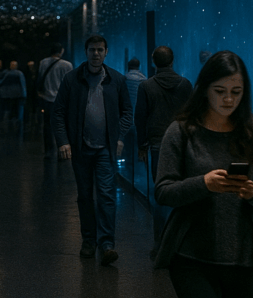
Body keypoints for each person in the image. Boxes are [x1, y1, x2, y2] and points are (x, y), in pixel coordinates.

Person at [155, 50, 253, 298]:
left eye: (236, 92)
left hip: (242, 257)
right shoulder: (182, 131)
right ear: (204, 89)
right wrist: (203, 183)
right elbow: (163, 190)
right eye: (220, 91)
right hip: (193, 256)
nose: (228, 99)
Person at [53, 35, 133, 265]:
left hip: (105, 149)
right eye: (92, 50)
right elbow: (58, 112)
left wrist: (118, 137)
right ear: (86, 52)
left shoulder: (116, 79)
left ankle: (107, 243)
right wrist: (63, 141)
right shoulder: (72, 79)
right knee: (85, 196)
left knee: (107, 195)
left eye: (100, 50)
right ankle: (89, 240)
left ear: (106, 52)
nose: (96, 54)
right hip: (81, 148)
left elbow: (127, 112)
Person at [135, 45, 193, 241]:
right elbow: (193, 115)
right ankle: (181, 241)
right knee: (183, 192)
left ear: (153, 62)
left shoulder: (146, 86)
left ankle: (160, 242)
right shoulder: (185, 84)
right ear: (172, 60)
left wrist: (141, 145)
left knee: (160, 193)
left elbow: (140, 118)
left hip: (157, 143)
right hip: (183, 144)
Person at [36, 43, 73, 158]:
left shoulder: (43, 62)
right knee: (61, 125)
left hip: (46, 98)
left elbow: (40, 77)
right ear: (61, 51)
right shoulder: (67, 65)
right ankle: (62, 149)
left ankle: (49, 149)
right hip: (61, 99)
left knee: (47, 125)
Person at [0, 60, 28, 130]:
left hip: (11, 96)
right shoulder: (16, 73)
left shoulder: (9, 73)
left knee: (11, 111)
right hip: (12, 96)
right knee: (12, 111)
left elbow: (0, 83)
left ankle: (9, 125)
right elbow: (22, 84)